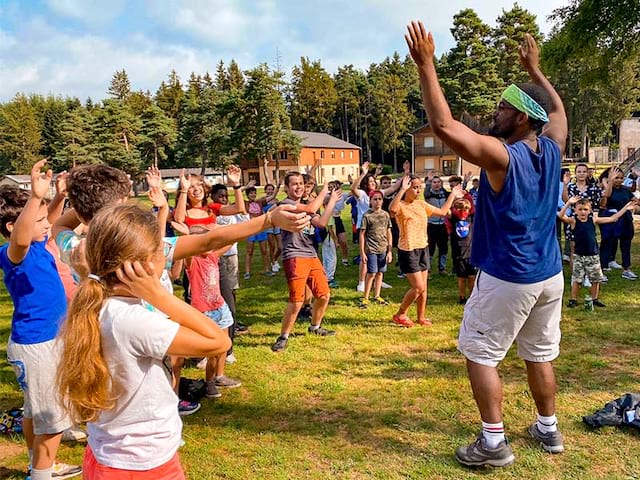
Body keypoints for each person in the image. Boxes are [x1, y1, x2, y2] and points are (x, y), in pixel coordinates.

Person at [407, 23, 568, 466]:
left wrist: (426, 65)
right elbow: (559, 113)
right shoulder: (552, 147)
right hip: (549, 274)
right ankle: (548, 430)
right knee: (540, 354)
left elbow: (443, 125)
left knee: (480, 353)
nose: (493, 115)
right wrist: (536, 71)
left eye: (500, 109)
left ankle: (493, 443)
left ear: (519, 118)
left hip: (508, 276)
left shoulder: (503, 155)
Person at [56, 204, 232, 479]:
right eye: (162, 251)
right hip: (143, 464)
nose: (166, 257)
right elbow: (218, 341)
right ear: (146, 265)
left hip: (111, 455)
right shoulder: (133, 321)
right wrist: (160, 296)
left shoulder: (98, 303)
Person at [0, 160, 81, 480]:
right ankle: (42, 475)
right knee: (52, 418)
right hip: (37, 346)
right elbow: (23, 235)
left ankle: (40, 466)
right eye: (37, 218)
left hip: (44, 341)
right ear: (12, 226)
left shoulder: (37, 242)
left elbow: (46, 221)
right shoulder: (14, 252)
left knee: (35, 412)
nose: (47, 223)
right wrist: (35, 197)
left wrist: (59, 196)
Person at [271, 172, 342, 352]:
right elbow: (311, 209)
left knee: (324, 294)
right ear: (286, 188)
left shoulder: (303, 206)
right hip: (294, 255)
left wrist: (332, 200)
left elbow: (322, 222)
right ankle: (283, 337)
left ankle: (315, 327)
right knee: (296, 300)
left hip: (310, 254)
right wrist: (323, 190)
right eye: (294, 184)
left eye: (301, 183)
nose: (299, 187)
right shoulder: (286, 204)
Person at [389, 175, 463, 327]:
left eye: (419, 187)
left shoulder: (421, 204)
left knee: (424, 288)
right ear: (407, 188)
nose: (418, 190)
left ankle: (420, 317)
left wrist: (453, 195)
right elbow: (392, 209)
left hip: (423, 247)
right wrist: (401, 188)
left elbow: (443, 212)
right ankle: (400, 314)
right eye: (414, 187)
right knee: (418, 287)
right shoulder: (401, 205)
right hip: (408, 250)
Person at [185, 225, 241, 398]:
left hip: (219, 307)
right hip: (204, 311)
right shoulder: (192, 261)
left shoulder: (212, 257)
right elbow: (186, 250)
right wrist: (188, 236)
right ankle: (209, 383)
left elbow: (232, 239)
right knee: (213, 353)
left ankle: (220, 376)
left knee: (224, 345)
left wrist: (216, 230)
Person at [558, 196, 635, 308]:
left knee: (596, 279)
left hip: (593, 255)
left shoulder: (593, 220)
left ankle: (595, 299)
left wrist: (625, 209)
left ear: (589, 210)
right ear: (575, 210)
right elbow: (561, 216)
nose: (583, 212)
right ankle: (573, 299)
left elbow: (612, 218)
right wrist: (568, 203)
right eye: (580, 209)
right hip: (579, 256)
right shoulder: (573, 221)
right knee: (577, 279)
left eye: (585, 209)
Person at [599, 166, 637, 279]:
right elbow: (603, 203)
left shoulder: (625, 190)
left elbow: (634, 200)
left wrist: (634, 204)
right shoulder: (606, 190)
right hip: (611, 220)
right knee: (607, 244)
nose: (619, 180)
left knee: (626, 244)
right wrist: (609, 182)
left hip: (626, 220)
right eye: (616, 178)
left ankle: (627, 269)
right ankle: (601, 269)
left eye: (621, 178)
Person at [359, 190, 392, 308]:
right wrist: (362, 252)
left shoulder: (385, 215)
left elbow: (389, 232)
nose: (378, 202)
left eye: (380, 199)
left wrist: (389, 250)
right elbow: (362, 234)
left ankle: (377, 295)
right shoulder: (367, 216)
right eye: (375, 199)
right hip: (371, 249)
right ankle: (366, 297)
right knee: (371, 273)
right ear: (370, 201)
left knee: (380, 273)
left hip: (383, 248)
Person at [446, 197, 476, 304]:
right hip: (458, 253)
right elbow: (446, 210)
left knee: (472, 277)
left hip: (470, 252)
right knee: (462, 277)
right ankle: (462, 297)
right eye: (460, 210)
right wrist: (453, 196)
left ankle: (472, 297)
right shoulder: (453, 218)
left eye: (465, 210)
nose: (463, 212)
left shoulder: (471, 218)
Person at [423, 173, 450, 274]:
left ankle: (442, 268)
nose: (436, 184)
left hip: (443, 225)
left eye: (439, 182)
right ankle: (428, 269)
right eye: (434, 182)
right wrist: (429, 182)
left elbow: (452, 196)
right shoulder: (428, 193)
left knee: (443, 247)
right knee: (430, 248)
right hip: (431, 225)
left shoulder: (444, 193)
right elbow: (425, 194)